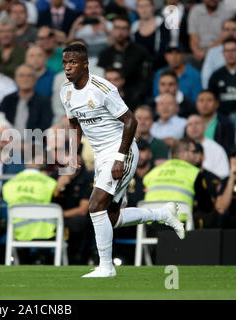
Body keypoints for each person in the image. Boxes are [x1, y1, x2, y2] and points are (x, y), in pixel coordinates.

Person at [60, 43, 184, 278]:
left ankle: (106, 267)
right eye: (65, 63)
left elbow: (131, 121)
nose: (68, 67)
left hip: (121, 151)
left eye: (73, 62)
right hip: (100, 155)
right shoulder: (65, 90)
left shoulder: (102, 88)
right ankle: (162, 214)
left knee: (95, 206)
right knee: (111, 217)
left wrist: (119, 158)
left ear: (86, 64)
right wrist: (74, 152)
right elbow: (74, 123)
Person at [143, 137, 214, 225]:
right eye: (193, 152)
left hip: (151, 227)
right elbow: (207, 207)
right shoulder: (194, 173)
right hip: (180, 227)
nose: (195, 156)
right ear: (183, 154)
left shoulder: (153, 172)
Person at [51, 145, 95, 265]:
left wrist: (60, 215)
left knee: (79, 221)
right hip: (54, 219)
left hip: (71, 219)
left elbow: (83, 209)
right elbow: (46, 202)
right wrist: (57, 188)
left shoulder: (87, 178)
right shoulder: (54, 177)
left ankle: (76, 257)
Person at [97, 15, 153, 107]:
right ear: (112, 30)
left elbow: (146, 79)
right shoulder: (104, 54)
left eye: (124, 28)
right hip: (107, 99)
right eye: (117, 28)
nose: (120, 32)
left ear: (129, 31)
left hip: (134, 100)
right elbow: (100, 79)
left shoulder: (141, 52)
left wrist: (133, 96)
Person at [0, 64, 53, 136]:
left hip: (34, 144)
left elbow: (45, 128)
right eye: (21, 76)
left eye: (29, 76)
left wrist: (27, 144)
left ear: (35, 79)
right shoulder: (7, 100)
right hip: (9, 143)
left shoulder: (43, 102)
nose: (25, 79)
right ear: (15, 79)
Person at [201, 19, 236, 90]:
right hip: (219, 92)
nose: (230, 33)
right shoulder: (212, 52)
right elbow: (205, 77)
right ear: (222, 32)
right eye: (227, 29)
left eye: (234, 30)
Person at [208, 38, 236, 121]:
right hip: (221, 120)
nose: (230, 54)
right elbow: (211, 99)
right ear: (223, 53)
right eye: (227, 51)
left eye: (233, 50)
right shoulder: (216, 76)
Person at [187, 0, 233, 66]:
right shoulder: (195, 10)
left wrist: (206, 52)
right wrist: (196, 51)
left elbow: (225, 38)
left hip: (220, 51)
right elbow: (193, 36)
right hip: (199, 52)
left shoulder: (228, 11)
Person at [185, 114, 230, 180]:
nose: (194, 127)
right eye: (190, 124)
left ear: (205, 127)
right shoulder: (180, 148)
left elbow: (224, 175)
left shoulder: (217, 149)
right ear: (186, 129)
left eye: (197, 123)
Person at [131, 0, 170, 70]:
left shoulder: (162, 24)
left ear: (153, 7)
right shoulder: (134, 27)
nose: (144, 9)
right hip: (138, 68)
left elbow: (165, 49)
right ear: (137, 9)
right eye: (140, 6)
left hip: (159, 67)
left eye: (146, 6)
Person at [216, 144, 236, 229]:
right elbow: (221, 208)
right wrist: (232, 180)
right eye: (233, 156)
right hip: (231, 225)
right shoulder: (226, 180)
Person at [196, 90, 235, 155]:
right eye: (201, 100)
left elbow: (228, 149)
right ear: (196, 104)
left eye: (209, 100)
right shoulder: (191, 123)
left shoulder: (226, 124)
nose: (205, 104)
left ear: (217, 104)